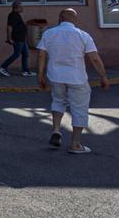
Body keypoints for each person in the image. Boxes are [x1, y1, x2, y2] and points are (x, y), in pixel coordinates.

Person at [37, 8, 110, 154]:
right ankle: (75, 144)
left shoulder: (49, 33)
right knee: (79, 109)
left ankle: (56, 129)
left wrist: (40, 75)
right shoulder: (83, 35)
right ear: (75, 20)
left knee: (58, 101)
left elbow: (41, 56)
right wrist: (103, 76)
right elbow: (94, 58)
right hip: (77, 77)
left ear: (60, 18)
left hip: (55, 76)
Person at [0, 1, 33, 77]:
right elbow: (9, 27)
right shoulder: (12, 15)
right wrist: (9, 38)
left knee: (25, 54)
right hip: (17, 39)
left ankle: (25, 71)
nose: (22, 8)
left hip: (22, 39)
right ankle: (3, 67)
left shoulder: (17, 15)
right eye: (21, 7)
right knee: (16, 54)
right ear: (16, 7)